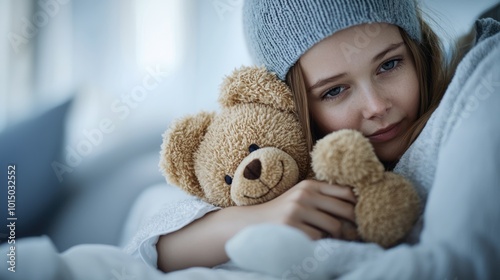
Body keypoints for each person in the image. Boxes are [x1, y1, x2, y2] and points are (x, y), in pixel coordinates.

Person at [124, 0, 500, 278]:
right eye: (334, 91)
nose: (376, 106)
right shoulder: (293, 161)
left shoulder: (482, 79)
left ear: (417, 50)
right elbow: (146, 245)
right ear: (295, 107)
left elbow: (463, 266)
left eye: (389, 64)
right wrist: (256, 219)